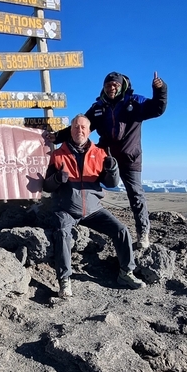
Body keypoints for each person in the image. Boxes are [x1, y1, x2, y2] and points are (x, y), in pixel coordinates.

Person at [50, 71, 167, 250]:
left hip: (130, 156)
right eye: (108, 85)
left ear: (122, 86)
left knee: (135, 194)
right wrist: (57, 137)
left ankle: (143, 233)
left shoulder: (135, 101)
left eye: (115, 85)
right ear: (103, 87)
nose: (111, 88)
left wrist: (160, 90)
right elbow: (82, 126)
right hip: (105, 156)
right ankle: (86, 218)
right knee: (87, 185)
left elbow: (157, 109)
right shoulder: (99, 107)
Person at [43, 114, 146, 298]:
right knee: (62, 233)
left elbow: (111, 183)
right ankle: (64, 280)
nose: (79, 130)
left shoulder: (99, 153)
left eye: (83, 127)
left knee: (121, 230)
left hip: (93, 209)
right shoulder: (58, 154)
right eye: (75, 127)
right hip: (65, 208)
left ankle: (126, 273)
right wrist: (57, 179)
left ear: (89, 131)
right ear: (70, 130)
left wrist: (112, 168)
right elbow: (47, 186)